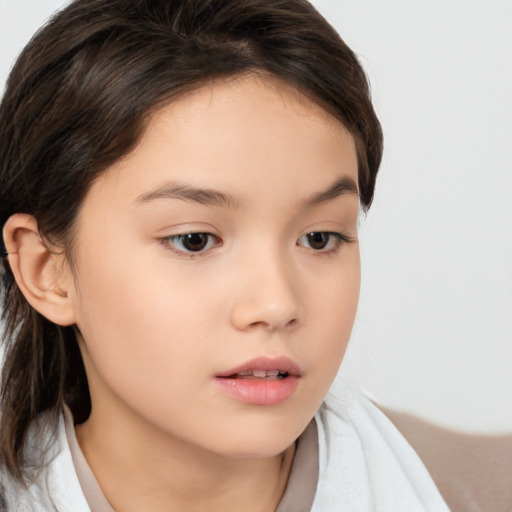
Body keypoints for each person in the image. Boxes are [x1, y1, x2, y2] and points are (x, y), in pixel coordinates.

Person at [0, 0, 450, 510]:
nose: (277, 304)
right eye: (194, 240)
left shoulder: (470, 486)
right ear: (46, 271)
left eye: (320, 238)